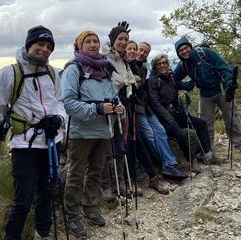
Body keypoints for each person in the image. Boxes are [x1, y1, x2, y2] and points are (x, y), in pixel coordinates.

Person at [0, 25, 67, 240]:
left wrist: (58, 119)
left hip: (51, 141)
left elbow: (59, 102)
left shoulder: (51, 72)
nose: (44, 49)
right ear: (29, 45)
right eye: (40, 44)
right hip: (24, 145)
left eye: (49, 46)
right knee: (24, 199)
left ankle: (43, 233)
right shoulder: (11, 72)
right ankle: (12, 236)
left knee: (47, 192)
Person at [61, 31, 123, 238]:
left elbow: (114, 96)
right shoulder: (73, 69)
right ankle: (72, 215)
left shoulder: (104, 69)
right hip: (81, 133)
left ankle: (90, 207)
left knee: (96, 172)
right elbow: (68, 102)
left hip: (104, 131)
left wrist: (118, 106)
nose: (93, 44)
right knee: (76, 175)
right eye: (88, 41)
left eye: (95, 41)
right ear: (79, 46)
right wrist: (97, 109)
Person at [174, 37, 241, 158]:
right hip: (204, 93)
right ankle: (207, 150)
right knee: (205, 123)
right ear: (178, 53)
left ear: (190, 47)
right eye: (180, 50)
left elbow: (223, 66)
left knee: (231, 117)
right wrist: (183, 85)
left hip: (220, 88)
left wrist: (230, 81)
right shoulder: (183, 65)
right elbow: (173, 78)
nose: (184, 51)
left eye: (185, 48)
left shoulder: (204, 53)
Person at [148, 54, 222, 169]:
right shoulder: (152, 81)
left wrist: (183, 111)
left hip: (175, 113)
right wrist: (170, 119)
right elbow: (156, 104)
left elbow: (176, 98)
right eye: (159, 64)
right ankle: (191, 160)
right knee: (181, 134)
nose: (162, 65)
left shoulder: (171, 78)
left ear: (167, 64)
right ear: (155, 66)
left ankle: (207, 155)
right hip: (163, 118)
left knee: (201, 124)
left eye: (164, 63)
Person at [125, 41, 170, 194]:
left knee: (139, 141)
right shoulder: (121, 65)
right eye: (130, 49)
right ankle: (131, 179)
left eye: (135, 49)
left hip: (134, 109)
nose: (136, 52)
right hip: (122, 110)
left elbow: (140, 92)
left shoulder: (140, 68)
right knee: (130, 142)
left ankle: (153, 175)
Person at [100, 21, 135, 201]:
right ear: (113, 40)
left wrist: (129, 95)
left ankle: (120, 182)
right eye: (119, 39)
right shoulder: (104, 56)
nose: (123, 42)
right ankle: (105, 185)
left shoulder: (123, 60)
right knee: (106, 147)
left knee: (121, 145)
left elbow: (128, 81)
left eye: (126, 39)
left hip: (123, 107)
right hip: (108, 105)